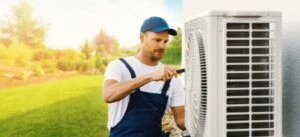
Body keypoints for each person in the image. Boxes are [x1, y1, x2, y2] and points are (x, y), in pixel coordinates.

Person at [103, 16, 185, 137]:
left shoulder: (172, 79)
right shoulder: (120, 66)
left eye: (165, 41)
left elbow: (181, 121)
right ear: (142, 38)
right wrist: (150, 77)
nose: (162, 46)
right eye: (157, 40)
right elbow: (108, 95)